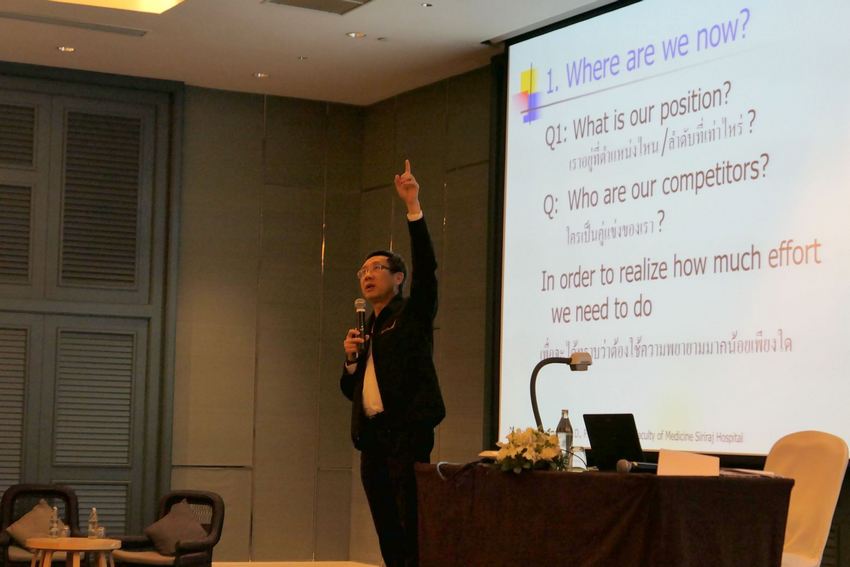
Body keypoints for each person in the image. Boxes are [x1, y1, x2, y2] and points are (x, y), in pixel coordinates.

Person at [340, 160, 446, 567]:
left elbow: (428, 271)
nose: (367, 275)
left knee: (410, 529)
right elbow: (352, 390)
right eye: (363, 270)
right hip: (372, 441)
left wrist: (413, 207)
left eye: (377, 268)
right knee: (387, 530)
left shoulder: (411, 314)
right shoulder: (368, 328)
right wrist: (351, 362)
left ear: (398, 278)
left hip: (406, 436)